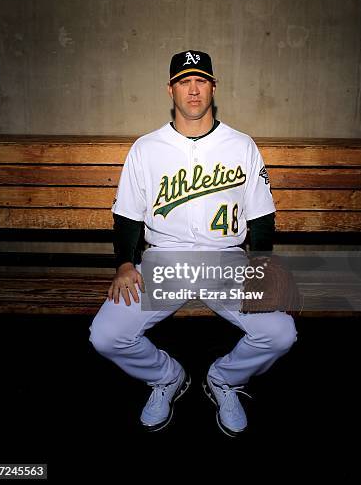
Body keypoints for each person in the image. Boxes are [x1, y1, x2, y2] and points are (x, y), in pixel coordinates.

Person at [89, 50, 297, 437]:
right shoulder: (146, 148)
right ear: (171, 89)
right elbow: (129, 217)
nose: (193, 89)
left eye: (200, 80)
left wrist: (263, 264)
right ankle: (167, 376)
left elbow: (262, 216)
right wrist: (124, 264)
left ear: (213, 87)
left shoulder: (241, 144)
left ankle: (224, 379)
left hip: (226, 260)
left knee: (280, 333)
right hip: (164, 260)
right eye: (184, 81)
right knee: (106, 335)